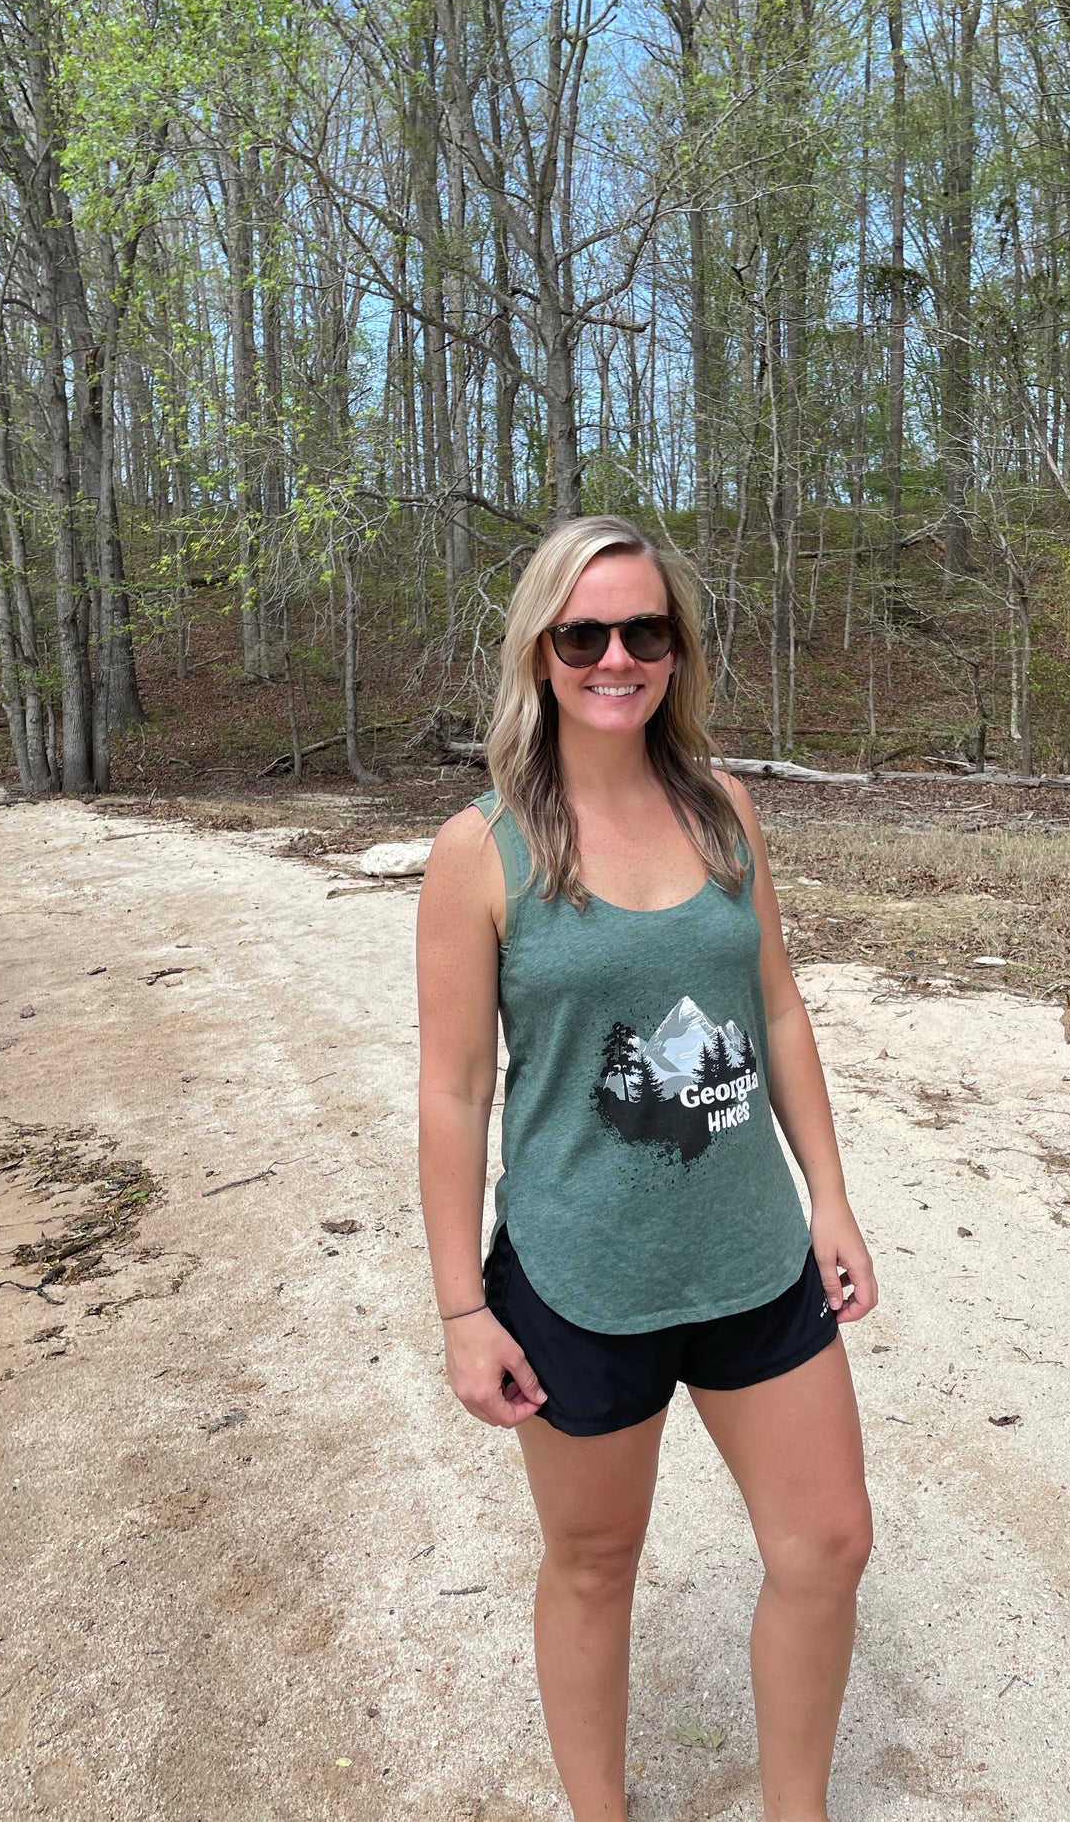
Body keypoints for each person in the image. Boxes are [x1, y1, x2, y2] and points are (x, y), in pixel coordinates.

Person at [416, 514, 877, 1822]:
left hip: (750, 1261)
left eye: (645, 631)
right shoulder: (482, 851)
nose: (616, 656)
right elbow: (451, 1095)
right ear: (541, 652)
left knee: (826, 1545)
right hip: (577, 1281)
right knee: (595, 1563)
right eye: (585, 633)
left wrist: (828, 1198)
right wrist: (463, 1309)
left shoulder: (720, 807)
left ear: (674, 649)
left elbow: (775, 1005)